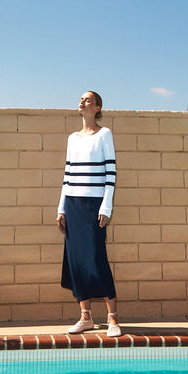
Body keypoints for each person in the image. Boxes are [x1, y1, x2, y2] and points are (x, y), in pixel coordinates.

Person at [57, 90, 121, 337]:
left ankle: (113, 319)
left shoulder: (105, 134)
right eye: (81, 99)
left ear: (97, 108)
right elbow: (67, 175)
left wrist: (106, 207)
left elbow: (110, 175)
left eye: (88, 100)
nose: (82, 101)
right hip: (73, 205)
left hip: (94, 207)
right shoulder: (72, 138)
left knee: (96, 259)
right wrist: (61, 208)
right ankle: (86, 317)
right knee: (76, 262)